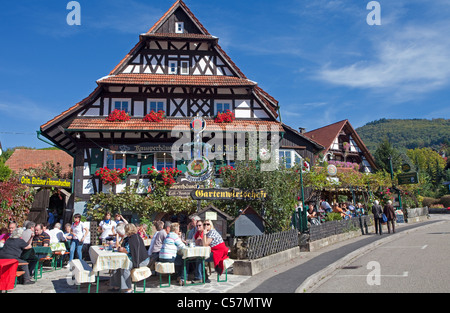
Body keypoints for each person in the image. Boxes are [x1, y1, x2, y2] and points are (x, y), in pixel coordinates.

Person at [110, 224, 150, 293]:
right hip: (134, 258)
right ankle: (116, 286)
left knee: (125, 266)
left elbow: (128, 250)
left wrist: (121, 249)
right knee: (116, 265)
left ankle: (128, 288)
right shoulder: (130, 238)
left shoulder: (134, 238)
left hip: (141, 260)